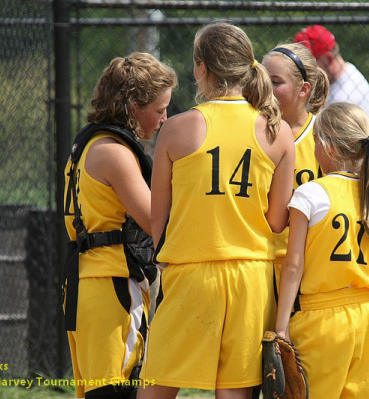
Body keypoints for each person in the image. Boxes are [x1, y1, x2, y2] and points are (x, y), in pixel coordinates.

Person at [138, 22, 295, 399]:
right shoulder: (278, 130)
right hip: (251, 279)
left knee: (157, 386)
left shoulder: (176, 128)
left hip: (191, 275)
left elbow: (158, 219)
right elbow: (277, 221)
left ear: (200, 68)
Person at [293, 23, 369, 374]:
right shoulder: (342, 81)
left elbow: (343, 142)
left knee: (348, 277)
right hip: (345, 186)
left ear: (327, 58)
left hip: (348, 186)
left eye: (311, 62)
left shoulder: (348, 88)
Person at [62, 53, 177, 399]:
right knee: (119, 390)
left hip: (85, 284)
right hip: (112, 289)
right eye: (159, 110)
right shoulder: (115, 153)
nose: (164, 119)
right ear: (131, 106)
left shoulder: (87, 146)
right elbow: (157, 223)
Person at [275, 102, 369, 399]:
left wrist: (281, 326)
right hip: (364, 316)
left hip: (320, 320)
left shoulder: (310, 193)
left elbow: (293, 266)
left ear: (327, 146)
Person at [261, 41, 329, 291]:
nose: (265, 88)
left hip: (308, 267)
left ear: (304, 89)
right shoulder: (252, 132)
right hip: (261, 263)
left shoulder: (324, 138)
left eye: (276, 82)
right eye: (262, 78)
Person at [294, 24, 369, 135]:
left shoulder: (346, 95)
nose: (303, 70)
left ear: (328, 59)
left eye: (309, 64)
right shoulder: (333, 80)